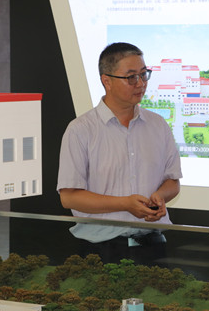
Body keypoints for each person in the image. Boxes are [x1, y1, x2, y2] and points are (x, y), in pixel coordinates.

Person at [57, 42, 181, 258]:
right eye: (131, 77)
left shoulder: (158, 125)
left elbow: (172, 181)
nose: (140, 83)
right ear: (107, 81)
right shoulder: (81, 130)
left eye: (144, 74)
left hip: (153, 244)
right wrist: (124, 204)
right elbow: (69, 198)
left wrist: (160, 197)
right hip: (101, 248)